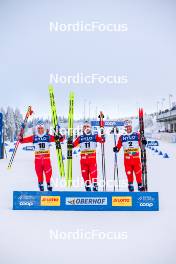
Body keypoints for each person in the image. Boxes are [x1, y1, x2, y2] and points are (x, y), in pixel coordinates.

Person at [19, 121, 64, 191]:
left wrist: (58, 133)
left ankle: (49, 186)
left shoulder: (48, 136)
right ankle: (41, 187)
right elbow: (21, 141)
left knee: (48, 175)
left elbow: (60, 139)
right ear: (37, 129)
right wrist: (21, 133)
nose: (40, 130)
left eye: (41, 128)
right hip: (38, 160)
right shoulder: (34, 137)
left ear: (44, 129)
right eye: (39, 128)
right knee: (39, 176)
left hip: (46, 160)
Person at [113, 120, 147, 192]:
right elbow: (118, 147)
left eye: (129, 126)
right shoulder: (122, 137)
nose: (128, 128)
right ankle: (130, 185)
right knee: (129, 173)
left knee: (138, 173)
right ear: (124, 128)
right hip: (127, 160)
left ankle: (140, 185)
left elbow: (142, 148)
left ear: (131, 127)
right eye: (126, 127)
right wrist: (116, 148)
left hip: (136, 159)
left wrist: (144, 143)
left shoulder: (137, 135)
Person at [72, 122, 105, 191]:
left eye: (87, 126)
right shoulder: (80, 138)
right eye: (84, 126)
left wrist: (103, 137)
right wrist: (69, 142)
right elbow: (73, 145)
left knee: (93, 174)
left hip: (92, 159)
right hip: (83, 160)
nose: (86, 128)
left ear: (90, 128)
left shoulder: (94, 136)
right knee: (85, 175)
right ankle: (87, 187)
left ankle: (95, 186)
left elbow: (102, 141)